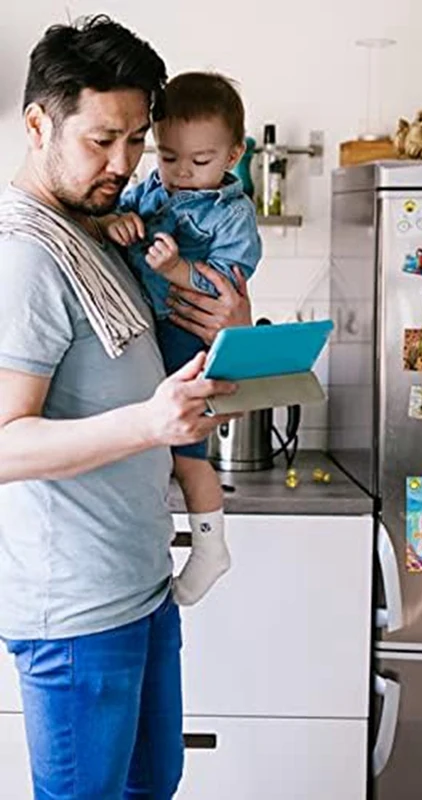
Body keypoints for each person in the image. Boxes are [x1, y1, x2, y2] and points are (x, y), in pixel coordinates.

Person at [0, 15, 251, 799]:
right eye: (101, 139)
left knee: (152, 787)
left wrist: (232, 328)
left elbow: (176, 362)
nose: (124, 163)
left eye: (137, 139)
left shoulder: (99, 232)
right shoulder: (26, 256)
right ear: (39, 124)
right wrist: (150, 423)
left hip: (140, 588)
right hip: (76, 616)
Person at [99, 72, 262, 606]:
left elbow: (225, 283)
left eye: (200, 161)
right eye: (169, 158)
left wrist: (175, 270)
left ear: (235, 153)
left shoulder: (233, 214)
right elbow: (123, 227)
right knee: (163, 455)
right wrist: (117, 225)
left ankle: (212, 546)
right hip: (150, 328)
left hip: (185, 335)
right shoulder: (150, 190)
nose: (183, 174)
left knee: (188, 457)